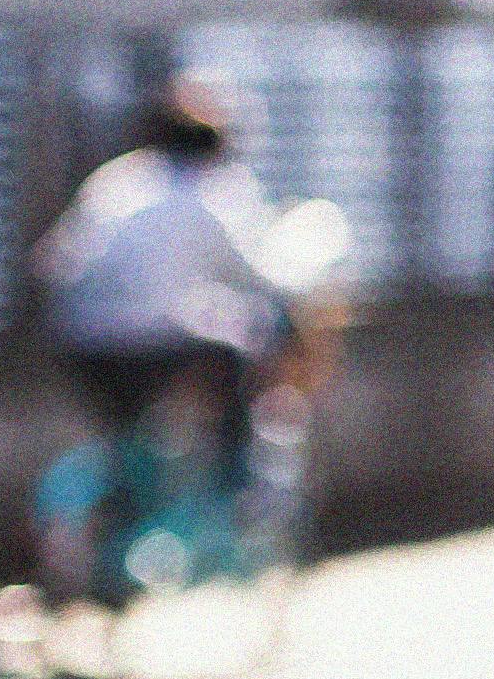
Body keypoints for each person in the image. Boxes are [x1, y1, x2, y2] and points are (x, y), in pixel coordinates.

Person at [31, 79, 301, 496]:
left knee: (122, 434)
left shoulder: (116, 180)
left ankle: (123, 500)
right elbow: (260, 271)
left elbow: (54, 263)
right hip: (160, 343)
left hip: (82, 340)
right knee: (241, 364)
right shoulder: (216, 190)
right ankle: (238, 486)